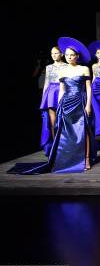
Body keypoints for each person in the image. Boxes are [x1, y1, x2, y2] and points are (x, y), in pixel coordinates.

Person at [9, 37, 95, 174]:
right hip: (66, 102)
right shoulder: (62, 71)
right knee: (66, 132)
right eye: (67, 55)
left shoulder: (84, 69)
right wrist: (60, 104)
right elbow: (61, 90)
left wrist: (88, 105)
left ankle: (86, 159)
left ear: (77, 56)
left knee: (83, 130)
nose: (69, 57)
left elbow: (89, 89)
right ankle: (66, 158)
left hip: (80, 101)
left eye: (72, 55)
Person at [40, 46, 69, 156]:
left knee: (64, 119)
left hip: (63, 91)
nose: (53, 55)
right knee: (53, 122)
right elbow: (46, 83)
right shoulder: (48, 67)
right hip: (51, 93)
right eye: (52, 53)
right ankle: (56, 144)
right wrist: (43, 98)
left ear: (61, 54)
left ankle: (65, 144)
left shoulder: (67, 66)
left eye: (56, 53)